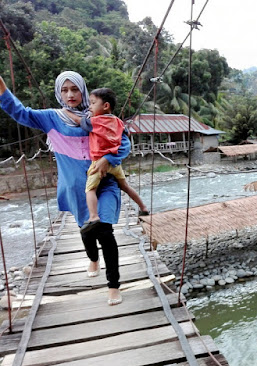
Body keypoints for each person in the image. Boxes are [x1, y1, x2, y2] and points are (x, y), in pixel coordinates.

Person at [0, 71, 129, 305]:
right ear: (58, 93)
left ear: (83, 91)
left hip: (105, 182)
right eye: (64, 90)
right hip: (76, 187)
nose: (70, 94)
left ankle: (113, 285)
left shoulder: (100, 114)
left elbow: (124, 141)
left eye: (75, 89)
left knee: (106, 231)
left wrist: (109, 159)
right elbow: (20, 113)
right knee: (86, 229)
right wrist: (1, 87)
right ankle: (92, 258)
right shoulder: (51, 117)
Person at [63, 87, 149, 235]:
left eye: (92, 103)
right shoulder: (119, 122)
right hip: (115, 164)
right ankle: (143, 208)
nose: (89, 106)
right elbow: (125, 135)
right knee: (125, 186)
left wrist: (65, 112)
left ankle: (93, 216)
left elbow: (79, 121)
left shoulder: (95, 122)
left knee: (90, 190)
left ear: (105, 106)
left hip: (98, 164)